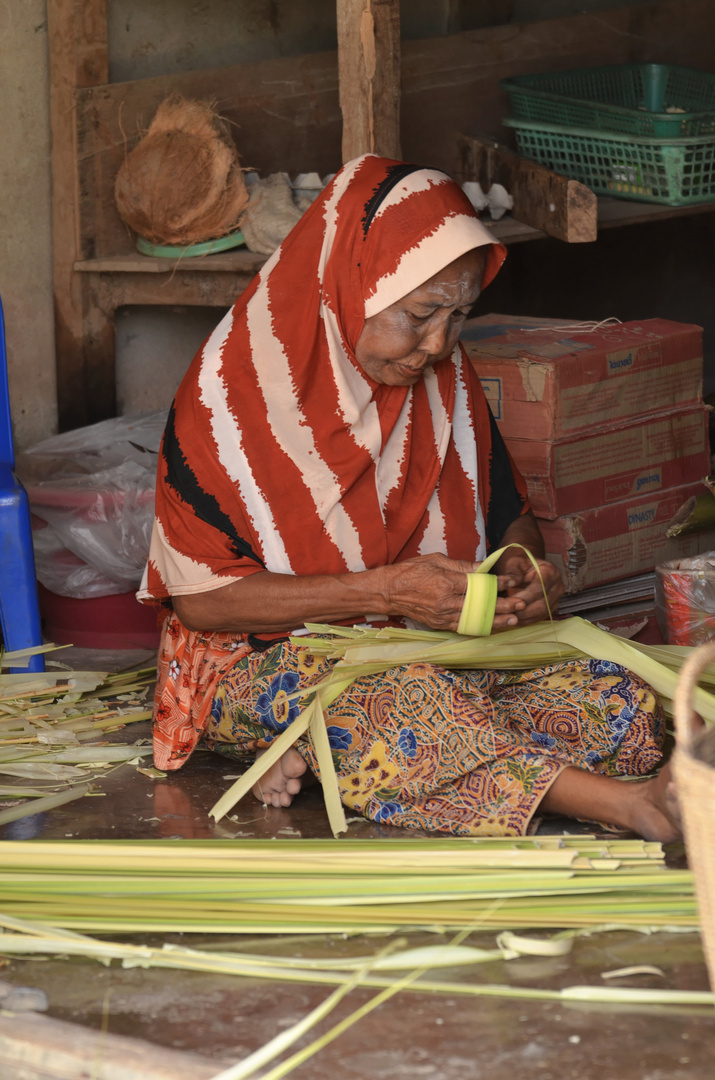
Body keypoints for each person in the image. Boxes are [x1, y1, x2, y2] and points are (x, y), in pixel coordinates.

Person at [139, 154, 680, 841]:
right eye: (420, 314)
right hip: (259, 657)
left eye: (457, 317)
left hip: (423, 645)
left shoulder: (442, 381)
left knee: (610, 693)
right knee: (403, 710)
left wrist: (519, 570)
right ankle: (632, 807)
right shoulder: (229, 395)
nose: (436, 344)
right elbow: (203, 599)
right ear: (348, 284)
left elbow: (507, 515)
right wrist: (385, 593)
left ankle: (337, 758)